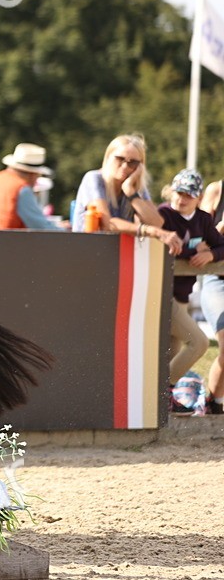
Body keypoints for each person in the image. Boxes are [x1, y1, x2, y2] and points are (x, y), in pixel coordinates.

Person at [154, 170, 224, 415]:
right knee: (199, 343)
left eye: (187, 195)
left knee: (170, 353)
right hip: (162, 292)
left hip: (183, 296)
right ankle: (162, 394)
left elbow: (220, 245)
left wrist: (210, 254)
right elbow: (162, 246)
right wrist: (192, 251)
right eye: (178, 193)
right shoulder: (163, 214)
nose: (181, 199)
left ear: (198, 197)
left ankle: (161, 403)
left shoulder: (203, 220)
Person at [72, 134, 178, 249]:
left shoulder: (134, 186)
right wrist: (150, 231)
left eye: (133, 163)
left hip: (116, 254)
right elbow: (108, 223)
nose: (125, 166)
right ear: (108, 157)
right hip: (85, 250)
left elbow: (157, 223)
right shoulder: (94, 179)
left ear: (140, 166)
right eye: (120, 159)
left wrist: (132, 194)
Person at [0, 143, 67, 230]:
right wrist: (64, 230)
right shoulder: (22, 189)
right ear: (32, 174)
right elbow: (40, 226)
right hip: (1, 244)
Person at [195, 177, 224, 415]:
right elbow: (197, 238)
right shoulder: (216, 190)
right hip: (218, 279)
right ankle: (214, 402)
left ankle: (215, 403)